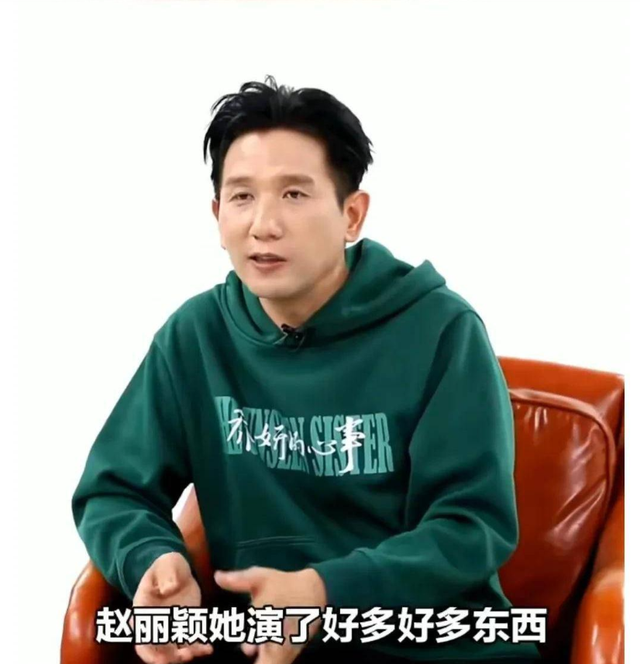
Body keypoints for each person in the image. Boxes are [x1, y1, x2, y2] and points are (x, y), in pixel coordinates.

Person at [72, 75, 542, 664]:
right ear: (217, 215)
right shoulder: (196, 337)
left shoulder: (442, 331)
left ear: (352, 215)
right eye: (241, 197)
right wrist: (152, 560)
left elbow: (472, 527)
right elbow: (114, 489)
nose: (263, 224)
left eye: (294, 194)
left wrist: (324, 592)